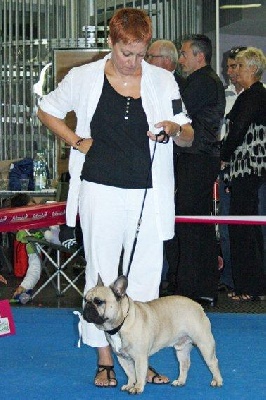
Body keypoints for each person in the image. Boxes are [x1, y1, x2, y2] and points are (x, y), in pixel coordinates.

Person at [37, 8, 193, 389]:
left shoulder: (162, 80)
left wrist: (174, 129)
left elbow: (188, 133)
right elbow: (46, 109)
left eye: (140, 54)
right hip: (100, 190)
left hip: (147, 195)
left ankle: (142, 360)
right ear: (112, 42)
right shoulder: (84, 77)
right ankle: (104, 356)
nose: (133, 62)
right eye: (127, 53)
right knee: (101, 276)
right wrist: (77, 140)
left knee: (144, 281)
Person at [175, 34, 225, 306]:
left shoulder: (203, 82)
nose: (180, 60)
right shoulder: (204, 81)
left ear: (199, 56)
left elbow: (177, 110)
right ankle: (200, 287)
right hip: (199, 157)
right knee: (198, 223)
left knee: (191, 223)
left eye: (183, 54)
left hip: (198, 156)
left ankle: (192, 289)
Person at [221, 47, 266, 301]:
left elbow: (238, 130)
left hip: (247, 166)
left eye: (238, 66)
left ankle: (249, 287)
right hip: (247, 168)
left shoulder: (253, 96)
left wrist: (224, 156)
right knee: (247, 227)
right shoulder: (254, 95)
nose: (234, 71)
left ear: (251, 68)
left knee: (243, 228)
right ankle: (253, 286)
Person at [146, 39, 187, 294]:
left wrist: (176, 129)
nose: (145, 61)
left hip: (173, 173)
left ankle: (166, 283)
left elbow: (188, 132)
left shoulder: (174, 87)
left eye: (149, 56)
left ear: (165, 61)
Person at [218, 46, 247, 296]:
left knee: (254, 226)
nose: (231, 72)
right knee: (227, 225)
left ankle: (254, 279)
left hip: (254, 171)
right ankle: (229, 278)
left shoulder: (261, 95)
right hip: (227, 168)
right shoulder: (222, 95)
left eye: (236, 66)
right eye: (228, 66)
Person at [10, 194, 43, 302]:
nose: (36, 204)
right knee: (34, 265)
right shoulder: (27, 233)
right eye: (33, 202)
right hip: (42, 241)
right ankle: (24, 288)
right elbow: (35, 267)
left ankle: (24, 288)